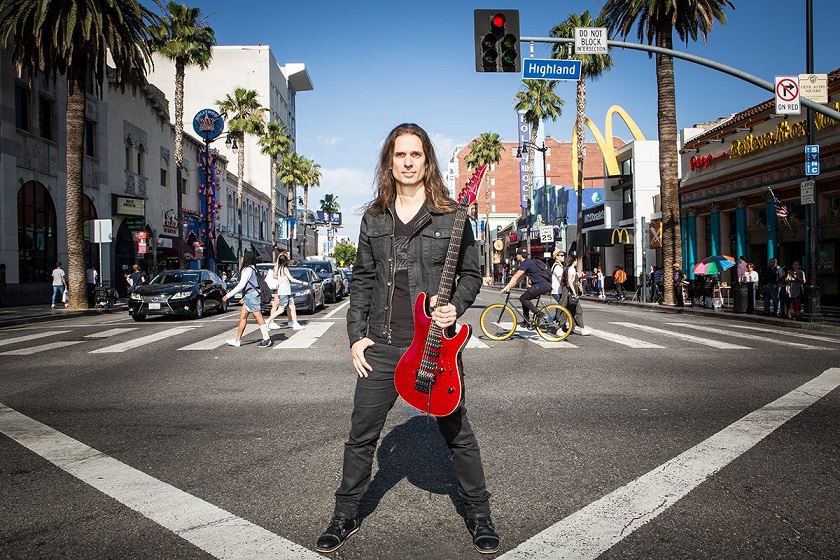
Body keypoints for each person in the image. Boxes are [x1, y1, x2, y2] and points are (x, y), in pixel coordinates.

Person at [315, 123, 497, 555]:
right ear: (390, 162)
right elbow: (361, 280)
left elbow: (470, 274)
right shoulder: (374, 218)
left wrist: (457, 306)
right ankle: (345, 514)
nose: (409, 162)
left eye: (416, 154)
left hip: (433, 344)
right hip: (381, 343)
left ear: (427, 160)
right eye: (401, 155)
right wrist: (355, 336)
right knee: (361, 436)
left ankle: (479, 514)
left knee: (458, 433)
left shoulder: (453, 216)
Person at [222, 251, 273, 348]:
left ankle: (267, 339)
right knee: (243, 317)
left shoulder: (247, 269)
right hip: (249, 295)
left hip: (252, 296)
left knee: (257, 316)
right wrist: (244, 297)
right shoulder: (253, 269)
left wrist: (228, 295)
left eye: (243, 257)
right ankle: (237, 340)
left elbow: (241, 285)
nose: (241, 258)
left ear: (247, 258)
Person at [500, 248, 551, 329]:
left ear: (520, 255)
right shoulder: (528, 262)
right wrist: (509, 287)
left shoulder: (525, 263)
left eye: (517, 255)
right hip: (542, 285)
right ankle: (526, 321)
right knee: (524, 299)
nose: (516, 256)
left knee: (523, 299)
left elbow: (516, 276)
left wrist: (505, 288)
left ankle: (539, 314)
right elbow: (519, 279)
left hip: (541, 285)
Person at [266, 252, 306, 330]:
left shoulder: (279, 268)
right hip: (284, 292)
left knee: (292, 307)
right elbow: (291, 279)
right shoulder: (284, 269)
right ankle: (268, 321)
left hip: (286, 291)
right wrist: (302, 282)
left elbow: (277, 277)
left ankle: (295, 323)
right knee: (281, 309)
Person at [561, 252, 592, 335]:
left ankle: (571, 328)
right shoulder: (571, 269)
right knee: (577, 310)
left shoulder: (567, 269)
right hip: (570, 292)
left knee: (569, 310)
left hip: (567, 292)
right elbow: (570, 281)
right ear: (573, 261)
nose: (576, 262)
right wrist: (574, 292)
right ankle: (582, 329)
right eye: (576, 260)